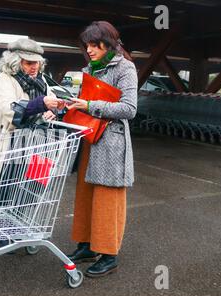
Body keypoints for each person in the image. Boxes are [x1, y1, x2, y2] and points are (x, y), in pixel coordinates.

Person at [0, 38, 65, 247]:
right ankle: (2, 234)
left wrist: (56, 110)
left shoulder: (42, 80)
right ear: (15, 62)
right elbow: (11, 109)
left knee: (29, 188)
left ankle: (17, 227)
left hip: (36, 143)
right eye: (28, 62)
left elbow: (53, 103)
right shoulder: (4, 80)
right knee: (5, 188)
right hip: (7, 142)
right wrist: (42, 104)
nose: (34, 66)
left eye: (36, 62)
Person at [65, 21, 138, 277]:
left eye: (94, 44)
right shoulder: (89, 69)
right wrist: (63, 107)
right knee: (85, 195)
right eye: (87, 45)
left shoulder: (125, 68)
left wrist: (89, 105)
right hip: (88, 139)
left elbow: (129, 109)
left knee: (107, 198)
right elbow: (81, 102)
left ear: (108, 43)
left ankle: (109, 255)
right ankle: (86, 245)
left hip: (111, 143)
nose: (90, 50)